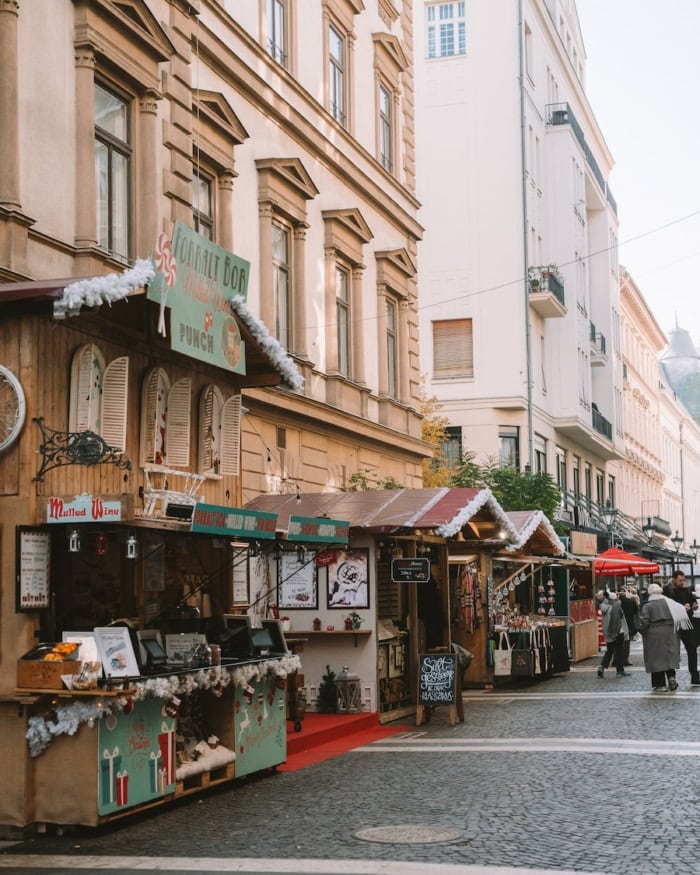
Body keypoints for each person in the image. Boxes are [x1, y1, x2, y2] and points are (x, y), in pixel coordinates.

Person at [639, 582, 693, 691]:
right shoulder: (670, 603)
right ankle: (671, 677)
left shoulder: (648, 606)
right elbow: (681, 610)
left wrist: (642, 631)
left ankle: (660, 685)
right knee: (669, 656)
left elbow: (644, 621)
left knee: (656, 658)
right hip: (670, 632)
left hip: (654, 633)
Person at [663, 570, 699, 685]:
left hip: (686, 623)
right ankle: (671, 677)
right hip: (672, 624)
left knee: (692, 648)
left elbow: (693, 602)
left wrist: (694, 605)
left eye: (683, 580)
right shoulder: (666, 591)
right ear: (673, 579)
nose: (682, 582)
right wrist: (682, 607)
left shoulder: (686, 589)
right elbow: (666, 607)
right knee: (671, 651)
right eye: (680, 580)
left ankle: (695, 676)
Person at [597, 591, 630, 678]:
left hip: (608, 632)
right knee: (619, 652)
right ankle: (620, 671)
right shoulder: (616, 607)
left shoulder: (604, 607)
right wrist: (625, 633)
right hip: (618, 632)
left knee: (610, 650)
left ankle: (602, 666)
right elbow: (621, 621)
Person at [619, 585, 641, 666]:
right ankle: (625, 659)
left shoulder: (616, 601)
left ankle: (616, 659)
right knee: (626, 642)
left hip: (618, 624)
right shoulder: (630, 600)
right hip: (629, 623)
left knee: (617, 643)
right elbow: (636, 611)